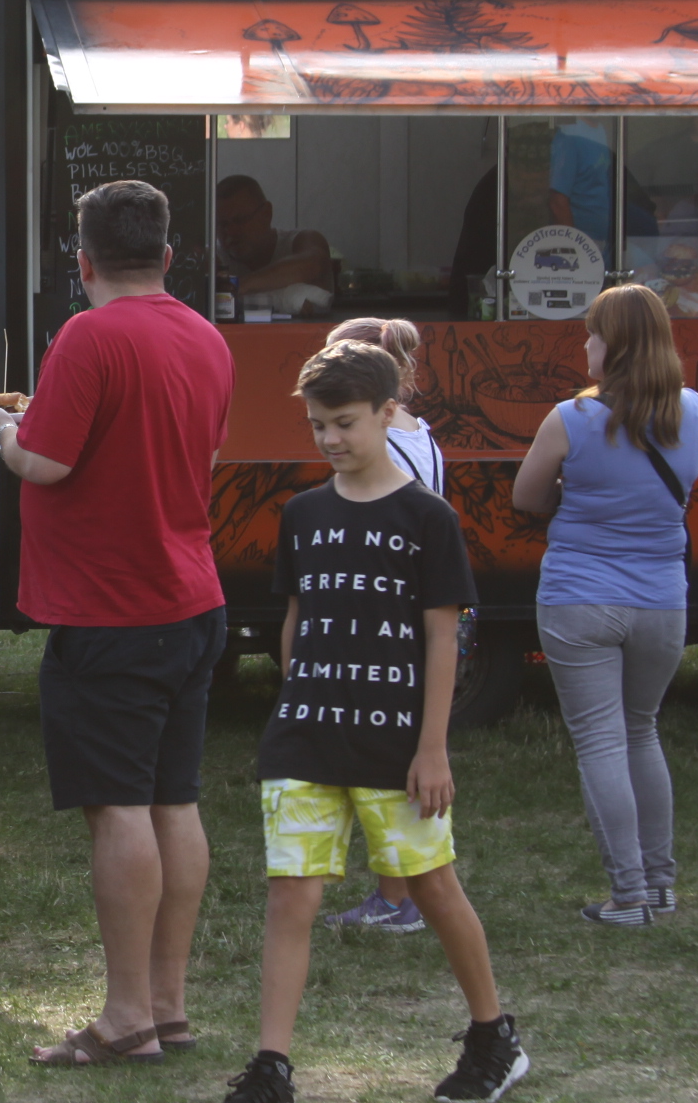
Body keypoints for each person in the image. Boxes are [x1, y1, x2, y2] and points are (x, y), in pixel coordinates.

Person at [0, 179, 230, 1065]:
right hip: (192, 598)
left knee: (118, 808)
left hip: (110, 609)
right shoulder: (205, 337)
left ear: (80, 261)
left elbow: (44, 462)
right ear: (167, 254)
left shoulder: (88, 334)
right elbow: (195, 448)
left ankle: (124, 1018)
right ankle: (167, 1007)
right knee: (173, 800)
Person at [221, 341, 525, 1103]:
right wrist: (294, 695)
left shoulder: (427, 517)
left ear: (389, 413)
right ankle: (271, 1066)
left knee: (433, 887)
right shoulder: (302, 514)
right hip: (304, 740)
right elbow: (296, 619)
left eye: (345, 423)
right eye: (318, 425)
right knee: (291, 896)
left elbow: (443, 638)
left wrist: (433, 750)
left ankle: (494, 1037)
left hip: (396, 746)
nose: (329, 439)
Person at [512, 284, 698, 925]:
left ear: (615, 345)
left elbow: (525, 497)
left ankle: (626, 896)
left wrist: (574, 486)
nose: (585, 345)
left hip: (580, 597)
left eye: (592, 334)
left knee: (600, 742)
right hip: (663, 600)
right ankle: (660, 885)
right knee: (641, 731)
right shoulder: (696, 412)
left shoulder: (570, 418)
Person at [317, 316, 441, 933]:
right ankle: (407, 890)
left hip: (387, 618)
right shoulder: (420, 430)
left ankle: (399, 898)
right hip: (414, 609)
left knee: (385, 760)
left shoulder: (384, 446)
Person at [215, 176, 334, 318]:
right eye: (222, 224)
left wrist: (241, 285)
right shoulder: (213, 257)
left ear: (266, 214)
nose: (231, 231)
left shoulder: (302, 240)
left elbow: (313, 264)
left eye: (240, 220)